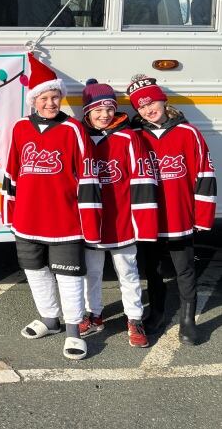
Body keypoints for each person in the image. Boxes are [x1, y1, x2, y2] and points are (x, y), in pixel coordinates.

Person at [2, 53, 102, 360]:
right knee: (34, 270)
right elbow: (13, 169)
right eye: (44, 97)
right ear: (33, 100)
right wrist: (10, 211)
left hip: (65, 218)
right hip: (28, 218)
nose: (50, 103)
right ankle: (50, 319)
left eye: (55, 97)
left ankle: (73, 329)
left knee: (69, 276)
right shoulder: (20, 127)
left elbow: (87, 173)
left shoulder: (72, 129)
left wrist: (89, 218)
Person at [127, 74, 216, 345]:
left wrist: (203, 215)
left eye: (151, 102)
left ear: (163, 101)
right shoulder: (135, 136)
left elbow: (205, 174)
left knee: (184, 268)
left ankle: (188, 320)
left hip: (179, 214)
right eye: (141, 106)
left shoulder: (188, 133)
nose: (148, 109)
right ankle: (156, 312)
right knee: (152, 269)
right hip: (148, 216)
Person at [78, 79, 158, 348]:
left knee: (129, 273)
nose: (104, 115)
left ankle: (134, 319)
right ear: (88, 111)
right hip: (92, 221)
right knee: (92, 272)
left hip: (124, 220)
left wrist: (144, 222)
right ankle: (95, 314)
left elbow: (143, 179)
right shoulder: (79, 137)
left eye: (110, 109)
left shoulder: (129, 137)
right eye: (98, 110)